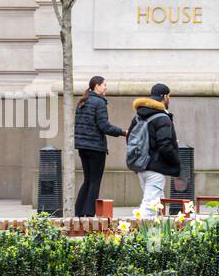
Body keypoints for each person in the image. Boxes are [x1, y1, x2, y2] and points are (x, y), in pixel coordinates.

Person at [73, 76, 127, 217]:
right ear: (96, 86)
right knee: (95, 181)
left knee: (87, 180)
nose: (106, 88)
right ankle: (90, 213)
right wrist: (123, 132)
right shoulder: (99, 102)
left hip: (82, 147)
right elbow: (104, 126)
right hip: (95, 148)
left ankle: (79, 212)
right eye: (104, 85)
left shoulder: (82, 102)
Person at [128, 83, 182, 216]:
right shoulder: (162, 118)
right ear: (164, 97)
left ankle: (157, 235)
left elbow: (129, 138)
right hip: (156, 168)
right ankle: (133, 233)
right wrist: (176, 161)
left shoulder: (138, 117)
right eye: (169, 96)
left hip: (141, 167)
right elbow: (165, 145)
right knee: (150, 207)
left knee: (157, 205)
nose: (169, 99)